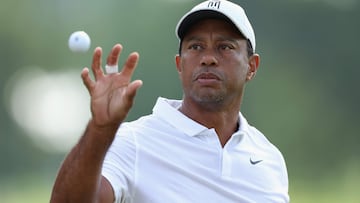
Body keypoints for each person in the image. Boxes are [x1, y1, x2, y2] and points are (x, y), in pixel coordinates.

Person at [50, 0, 289, 202]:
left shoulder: (269, 158)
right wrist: (100, 130)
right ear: (179, 64)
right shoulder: (131, 142)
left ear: (252, 66)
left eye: (224, 47)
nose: (207, 58)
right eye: (195, 46)